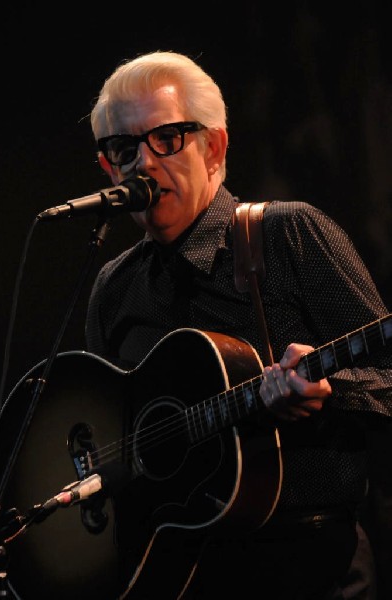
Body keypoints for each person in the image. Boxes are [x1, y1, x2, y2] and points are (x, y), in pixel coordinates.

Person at [84, 50, 392, 599]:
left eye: (168, 138)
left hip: (311, 568)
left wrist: (333, 391)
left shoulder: (288, 235)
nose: (145, 164)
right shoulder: (115, 286)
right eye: (124, 149)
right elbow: (106, 435)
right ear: (107, 168)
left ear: (214, 147)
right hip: (177, 575)